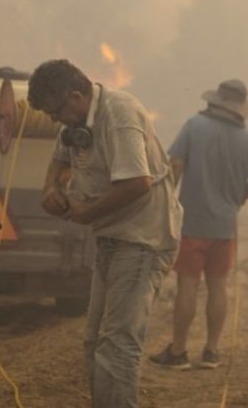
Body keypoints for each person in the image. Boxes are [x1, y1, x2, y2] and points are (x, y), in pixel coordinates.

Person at [27, 60, 182, 408]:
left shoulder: (119, 113)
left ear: (77, 96)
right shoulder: (76, 118)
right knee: (95, 342)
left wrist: (85, 213)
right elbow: (60, 158)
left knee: (118, 345)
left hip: (143, 239)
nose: (56, 122)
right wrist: (49, 188)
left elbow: (138, 183)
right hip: (113, 236)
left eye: (56, 113)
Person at [150, 79, 248, 370]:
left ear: (215, 101)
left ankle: (178, 352)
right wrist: (237, 198)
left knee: (188, 284)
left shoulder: (194, 125)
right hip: (225, 227)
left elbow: (174, 165)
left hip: (192, 223)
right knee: (218, 286)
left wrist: (169, 204)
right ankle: (211, 352)